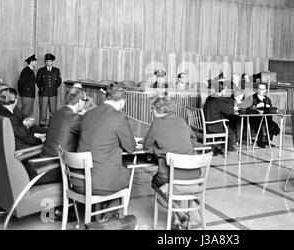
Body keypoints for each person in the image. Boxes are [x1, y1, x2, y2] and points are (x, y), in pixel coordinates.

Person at [76, 83, 137, 216]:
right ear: (121, 102)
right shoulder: (119, 117)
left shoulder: (88, 114)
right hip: (101, 183)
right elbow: (131, 148)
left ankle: (101, 214)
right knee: (127, 174)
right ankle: (108, 216)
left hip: (78, 181)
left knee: (108, 170)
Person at [143, 96, 200, 229]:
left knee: (156, 183)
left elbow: (146, 146)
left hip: (169, 175)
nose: (152, 112)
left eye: (152, 110)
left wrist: (157, 149)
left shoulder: (156, 123)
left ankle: (179, 213)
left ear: (156, 110)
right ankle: (177, 220)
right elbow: (193, 139)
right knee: (173, 183)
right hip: (193, 174)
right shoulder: (181, 120)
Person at [41, 87, 86, 158]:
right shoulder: (75, 118)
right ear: (80, 102)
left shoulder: (57, 113)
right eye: (85, 100)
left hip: (44, 156)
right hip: (59, 162)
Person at [202, 81, 237, 155]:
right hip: (213, 126)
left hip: (206, 124)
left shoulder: (210, 97)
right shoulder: (219, 100)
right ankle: (228, 149)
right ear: (223, 90)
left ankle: (216, 146)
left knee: (228, 123)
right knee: (230, 130)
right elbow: (230, 110)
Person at [248, 83, 280, 148]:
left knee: (273, 125)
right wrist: (257, 106)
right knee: (260, 125)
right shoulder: (252, 97)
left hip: (266, 118)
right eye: (259, 89)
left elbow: (270, 108)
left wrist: (272, 108)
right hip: (255, 118)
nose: (260, 90)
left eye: (262, 89)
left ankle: (267, 141)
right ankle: (260, 141)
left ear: (265, 90)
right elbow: (248, 109)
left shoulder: (267, 99)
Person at [36, 53, 61, 127]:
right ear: (45, 62)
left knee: (53, 110)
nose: (49, 62)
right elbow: (38, 81)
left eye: (50, 61)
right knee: (43, 110)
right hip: (44, 93)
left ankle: (52, 124)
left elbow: (58, 81)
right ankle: (42, 124)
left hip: (53, 93)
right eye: (47, 61)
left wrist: (53, 87)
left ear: (52, 62)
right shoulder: (41, 70)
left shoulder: (56, 70)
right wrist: (42, 87)